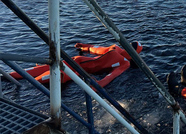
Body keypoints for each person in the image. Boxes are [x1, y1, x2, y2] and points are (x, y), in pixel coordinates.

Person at [10, 42, 143, 88]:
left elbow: (95, 49)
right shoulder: (121, 58)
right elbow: (111, 75)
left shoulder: (117, 51)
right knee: (38, 74)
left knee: (39, 74)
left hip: (76, 63)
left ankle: (8, 76)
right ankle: (9, 77)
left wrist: (85, 48)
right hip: (77, 68)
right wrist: (99, 84)